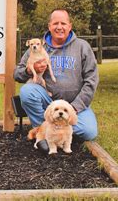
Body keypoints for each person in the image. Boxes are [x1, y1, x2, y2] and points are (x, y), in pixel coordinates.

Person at [14, 8, 98, 151]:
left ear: (70, 26)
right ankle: (45, 134)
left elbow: (91, 80)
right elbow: (17, 74)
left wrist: (75, 107)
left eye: (63, 23)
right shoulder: (37, 47)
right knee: (27, 91)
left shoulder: (82, 47)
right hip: (49, 103)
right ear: (49, 26)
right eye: (55, 23)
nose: (59, 27)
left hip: (74, 105)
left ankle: (56, 132)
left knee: (89, 131)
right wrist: (29, 70)